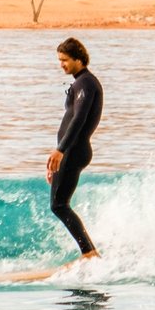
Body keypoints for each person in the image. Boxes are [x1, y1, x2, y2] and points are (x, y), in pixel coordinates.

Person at [46, 37, 103, 260]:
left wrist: (60, 150)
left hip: (74, 150)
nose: (61, 64)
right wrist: (57, 155)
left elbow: (78, 119)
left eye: (65, 60)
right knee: (59, 204)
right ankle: (89, 252)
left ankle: (89, 253)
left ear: (79, 59)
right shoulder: (81, 83)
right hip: (70, 151)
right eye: (60, 60)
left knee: (59, 205)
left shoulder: (86, 83)